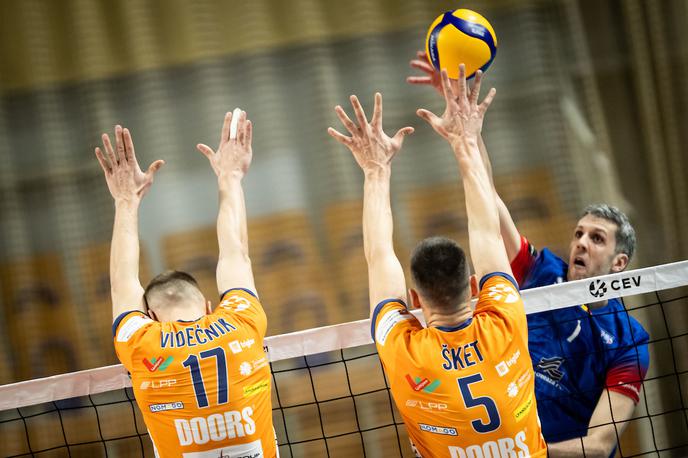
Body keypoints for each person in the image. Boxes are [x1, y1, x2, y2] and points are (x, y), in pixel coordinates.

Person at [409, 51, 650, 456]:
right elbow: (490, 204)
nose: (580, 243)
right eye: (578, 233)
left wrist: (524, 451)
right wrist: (468, 132)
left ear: (619, 263)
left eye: (597, 238)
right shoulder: (543, 272)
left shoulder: (629, 342)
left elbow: (599, 445)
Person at [328, 65, 547, 457]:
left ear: (414, 300)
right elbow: (487, 231)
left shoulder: (404, 349)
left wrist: (376, 171)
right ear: (477, 286)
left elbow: (377, 256)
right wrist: (465, 141)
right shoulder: (505, 322)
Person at [97, 112, 277, 457]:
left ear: (148, 314)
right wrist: (231, 177)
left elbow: (121, 282)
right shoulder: (239, 322)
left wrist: (125, 200)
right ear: (209, 307)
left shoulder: (143, 343)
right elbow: (236, 254)